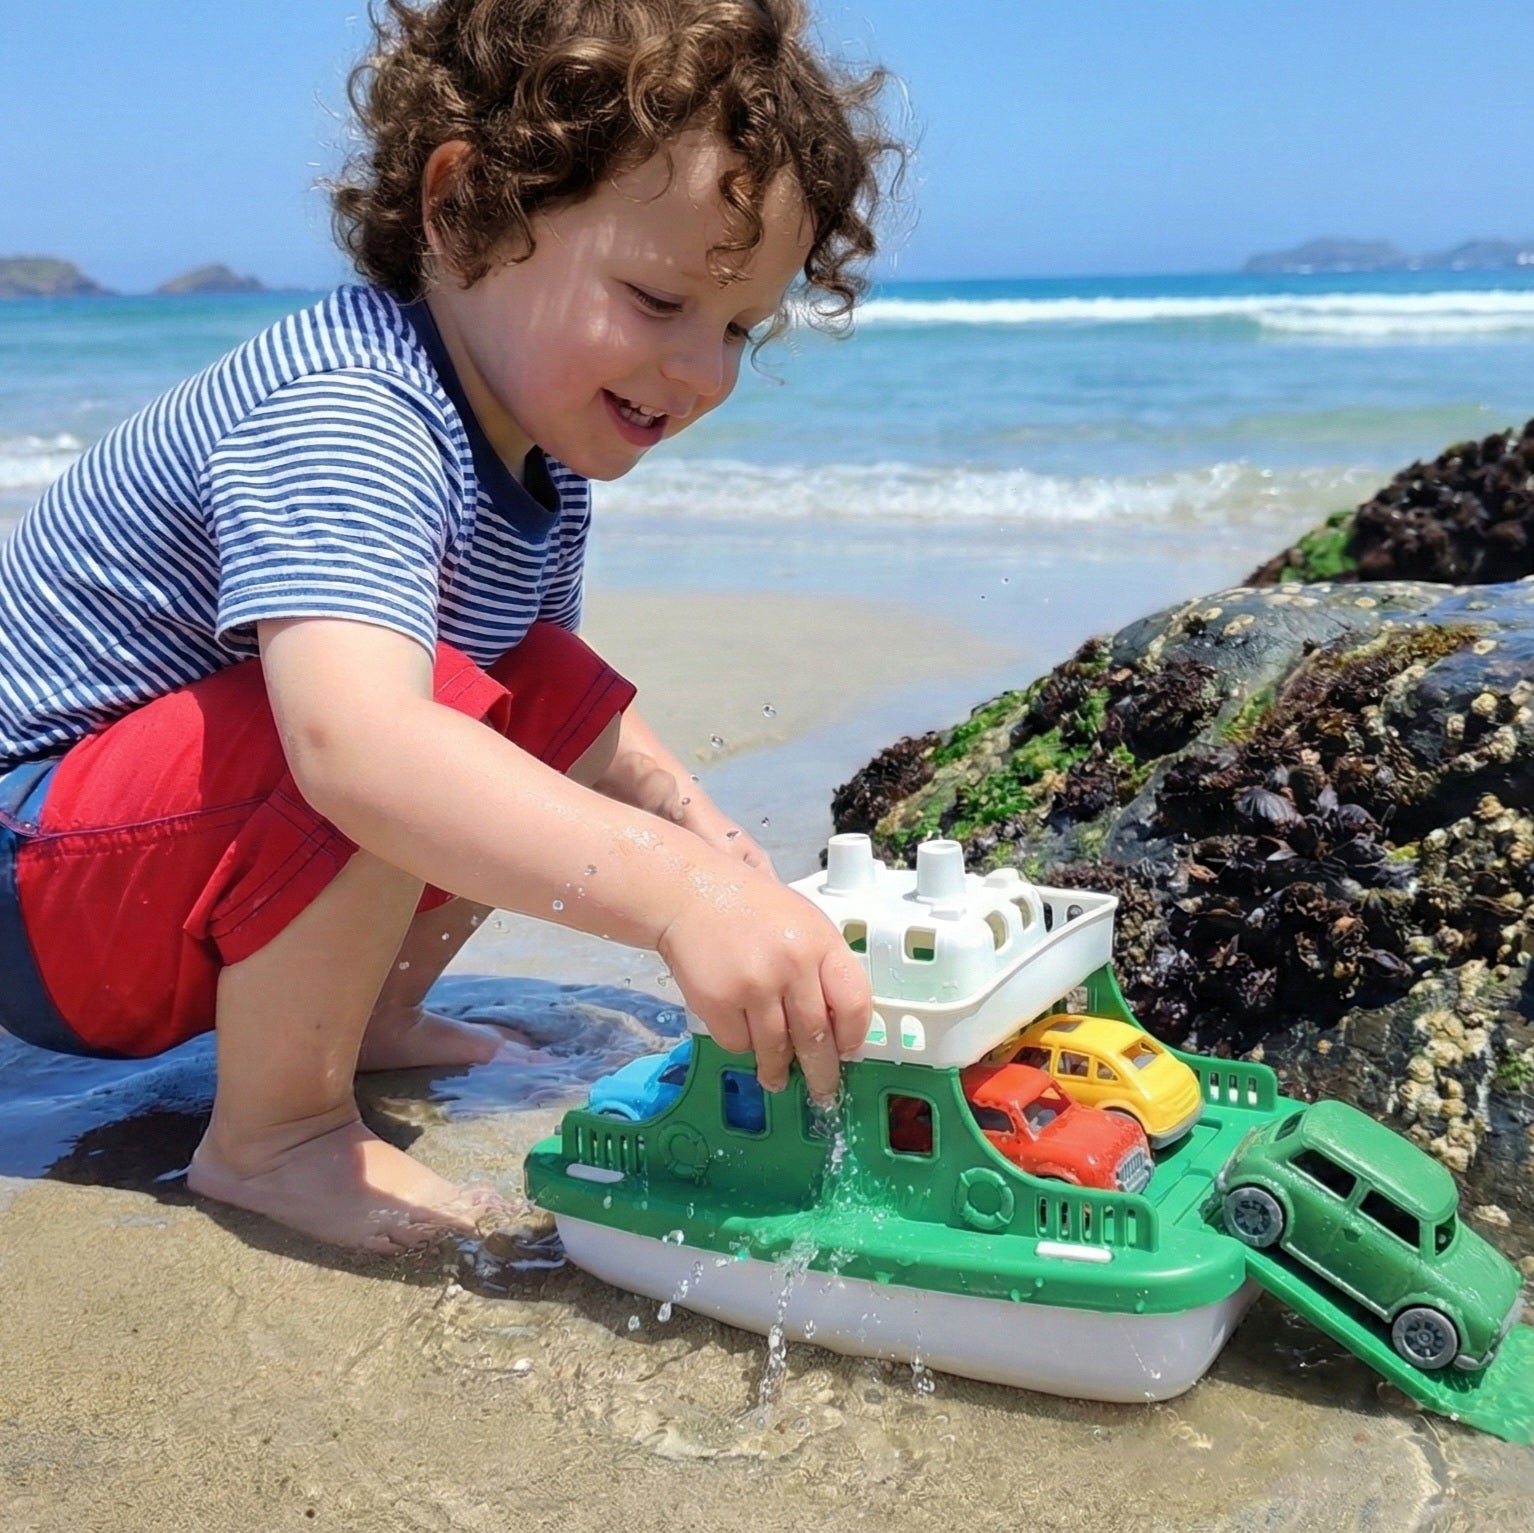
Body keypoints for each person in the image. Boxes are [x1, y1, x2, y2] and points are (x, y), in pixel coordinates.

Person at [0, 0, 898, 1252]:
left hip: (144, 867)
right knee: (409, 722)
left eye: (738, 325)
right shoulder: (350, 411)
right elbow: (360, 754)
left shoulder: (537, 457)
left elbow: (559, 729)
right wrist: (677, 903)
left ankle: (360, 1016)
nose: (701, 369)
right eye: (656, 298)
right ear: (465, 204)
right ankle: (279, 1137)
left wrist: (710, 847)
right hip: (37, 890)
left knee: (542, 687)